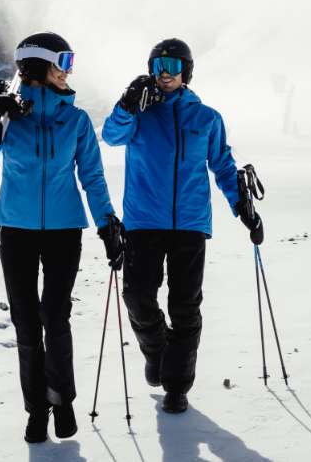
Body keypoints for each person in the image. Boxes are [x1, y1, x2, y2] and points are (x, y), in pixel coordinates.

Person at [0, 32, 124, 443]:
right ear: (41, 66)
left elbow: (91, 176)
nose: (70, 70)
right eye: (64, 61)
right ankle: (36, 411)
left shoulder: (74, 120)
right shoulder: (8, 115)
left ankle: (63, 399)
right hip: (16, 231)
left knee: (54, 318)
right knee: (25, 324)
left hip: (63, 232)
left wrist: (108, 223)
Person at [101, 38, 263, 414]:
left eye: (173, 66)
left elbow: (222, 166)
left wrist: (243, 208)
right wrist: (126, 104)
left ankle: (176, 386)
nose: (165, 74)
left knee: (185, 307)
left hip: (190, 225)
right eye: (159, 66)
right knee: (138, 297)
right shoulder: (139, 114)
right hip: (143, 221)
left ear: (186, 72)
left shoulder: (205, 118)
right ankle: (156, 351)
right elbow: (110, 136)